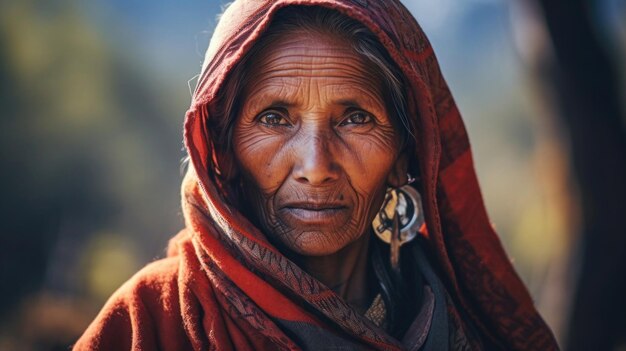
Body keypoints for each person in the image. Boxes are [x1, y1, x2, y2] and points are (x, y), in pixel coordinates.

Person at [74, 0, 559, 350]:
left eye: (355, 118)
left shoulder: (463, 320)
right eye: (274, 118)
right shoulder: (153, 322)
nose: (316, 166)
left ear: (404, 157)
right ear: (222, 148)